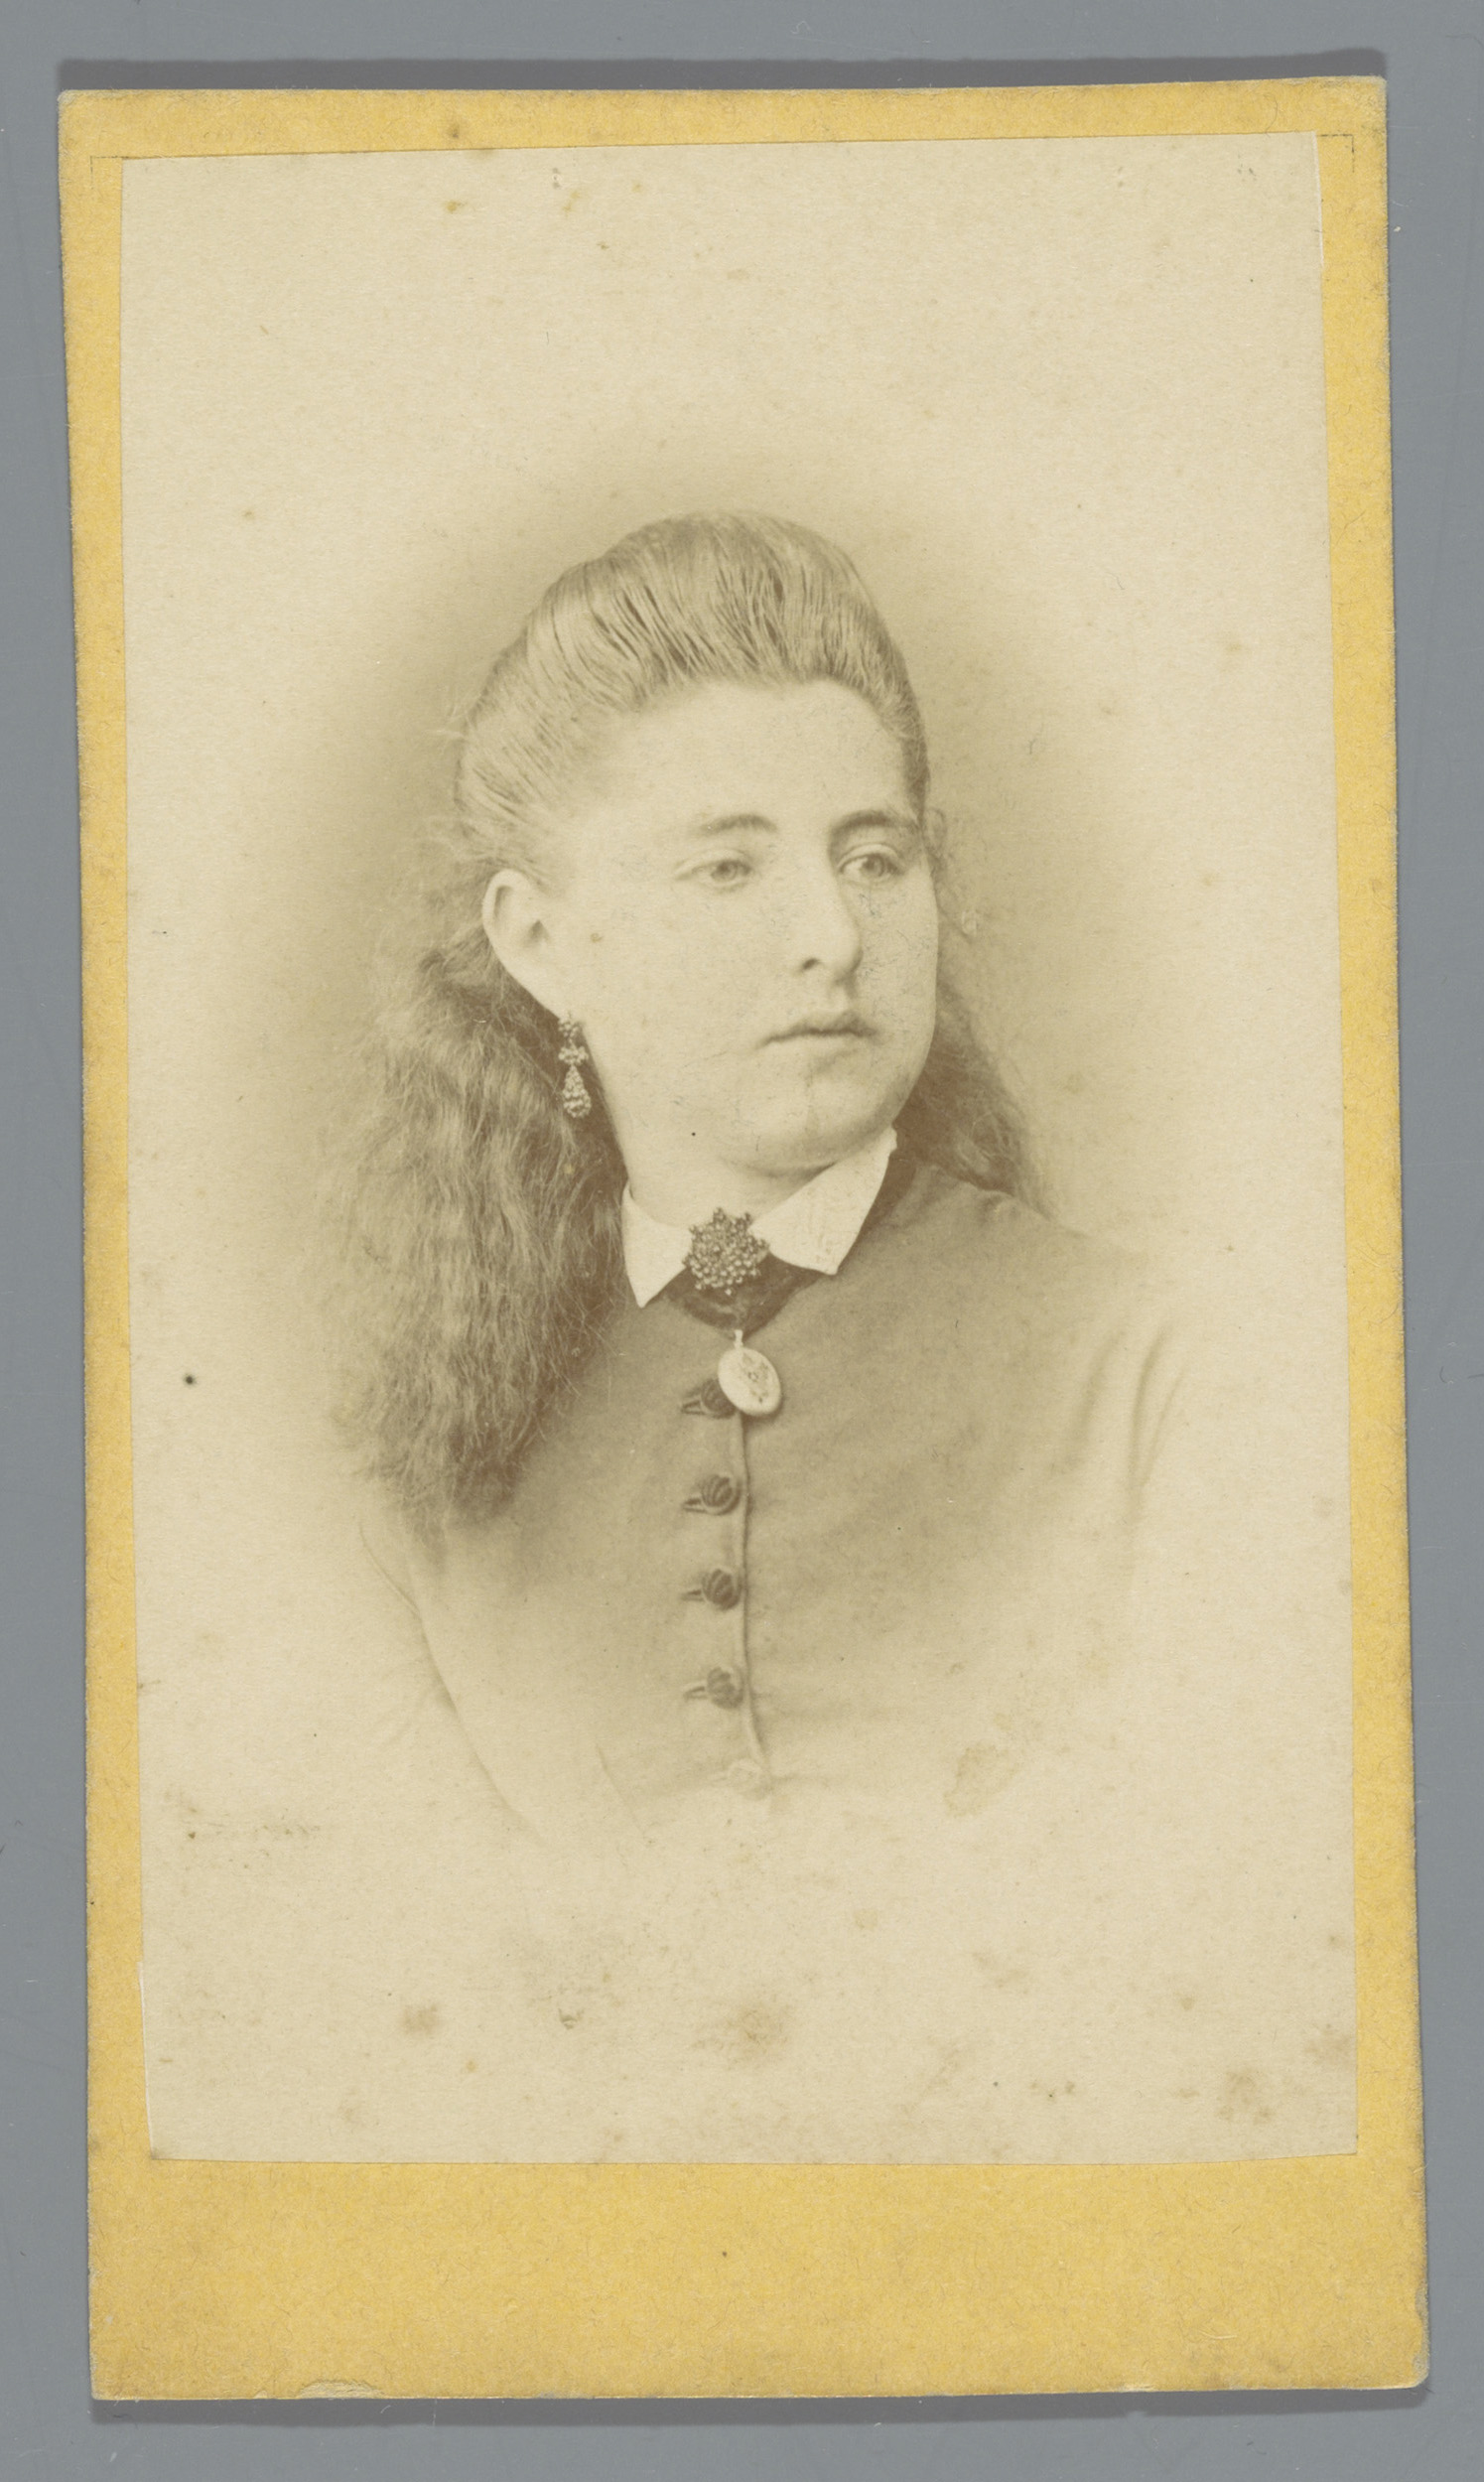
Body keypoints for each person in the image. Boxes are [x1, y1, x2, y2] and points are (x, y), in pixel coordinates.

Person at [326, 512, 1330, 2162]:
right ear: (540, 943)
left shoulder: (1160, 1370)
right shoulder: (416, 1477)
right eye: (729, 867)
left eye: (874, 857)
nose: (835, 935)